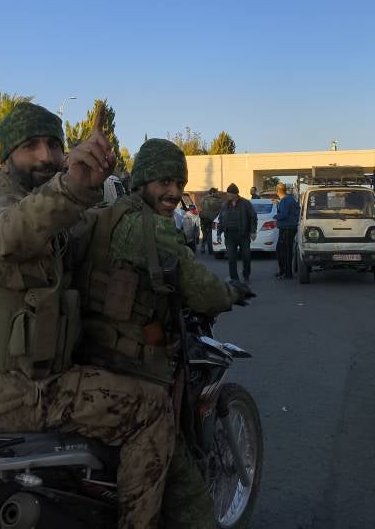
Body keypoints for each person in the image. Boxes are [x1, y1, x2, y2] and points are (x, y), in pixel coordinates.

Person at [0, 102, 175, 529]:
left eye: (53, 145)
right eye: (30, 146)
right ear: (5, 155)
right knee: (151, 408)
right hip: (11, 393)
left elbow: (76, 237)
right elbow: (7, 234)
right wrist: (73, 183)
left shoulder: (34, 204)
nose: (45, 156)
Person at [72, 138, 253, 529]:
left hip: (90, 359)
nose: (173, 191)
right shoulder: (150, 229)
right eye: (163, 181)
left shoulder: (104, 216)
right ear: (142, 181)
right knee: (191, 498)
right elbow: (201, 288)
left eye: (179, 182)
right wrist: (229, 294)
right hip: (133, 372)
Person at [217, 183, 257, 283]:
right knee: (231, 258)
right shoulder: (225, 205)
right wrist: (218, 233)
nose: (228, 196)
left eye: (229, 194)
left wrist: (252, 231)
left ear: (235, 194)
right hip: (229, 235)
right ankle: (234, 278)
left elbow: (253, 217)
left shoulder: (245, 203)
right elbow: (221, 219)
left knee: (246, 257)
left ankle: (246, 275)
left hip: (243, 235)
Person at [274, 182, 299, 279]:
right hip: (289, 228)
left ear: (278, 191)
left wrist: (275, 216)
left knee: (283, 251)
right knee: (285, 251)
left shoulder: (285, 201)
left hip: (286, 228)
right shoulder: (289, 199)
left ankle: (286, 273)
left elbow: (284, 214)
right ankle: (284, 271)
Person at [198, 187, 223, 256]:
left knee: (205, 233)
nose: (217, 193)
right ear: (213, 192)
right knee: (214, 233)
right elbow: (221, 209)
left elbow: (201, 207)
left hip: (204, 218)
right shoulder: (218, 200)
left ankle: (203, 246)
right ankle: (212, 247)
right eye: (216, 192)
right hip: (213, 219)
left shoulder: (204, 199)